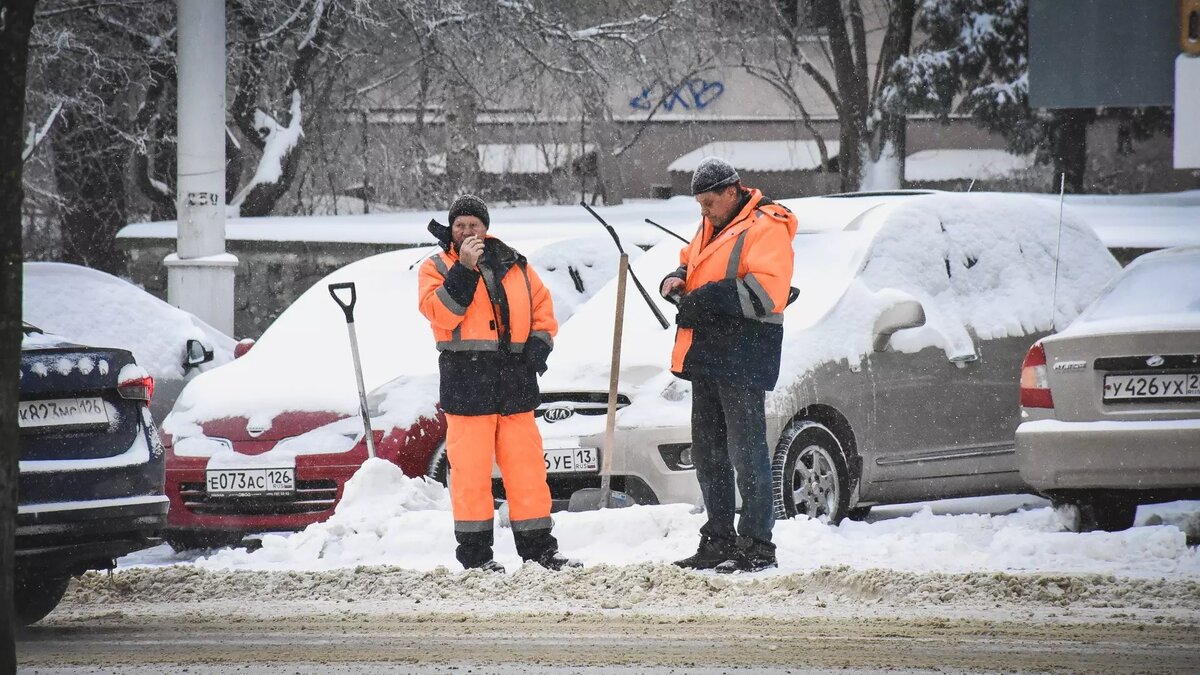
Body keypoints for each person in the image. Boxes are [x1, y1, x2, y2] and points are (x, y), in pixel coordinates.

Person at [418, 194, 578, 573]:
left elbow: (543, 308)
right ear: (452, 232)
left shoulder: (515, 263)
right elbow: (441, 312)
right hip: (466, 382)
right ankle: (477, 558)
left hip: (514, 383)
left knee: (527, 472)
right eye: (460, 226)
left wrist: (538, 349)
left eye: (474, 225)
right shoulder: (436, 267)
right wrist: (466, 270)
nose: (467, 231)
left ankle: (539, 549)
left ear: (486, 229)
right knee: (470, 475)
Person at [660, 157, 798, 574]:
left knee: (746, 451)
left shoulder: (767, 225)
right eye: (699, 204)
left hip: (743, 352)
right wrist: (679, 277)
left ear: (732, 191)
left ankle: (757, 543)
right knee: (708, 453)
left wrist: (707, 299)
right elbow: (696, 259)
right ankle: (718, 539)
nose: (704, 211)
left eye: (709, 202)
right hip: (708, 351)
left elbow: (767, 290)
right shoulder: (711, 224)